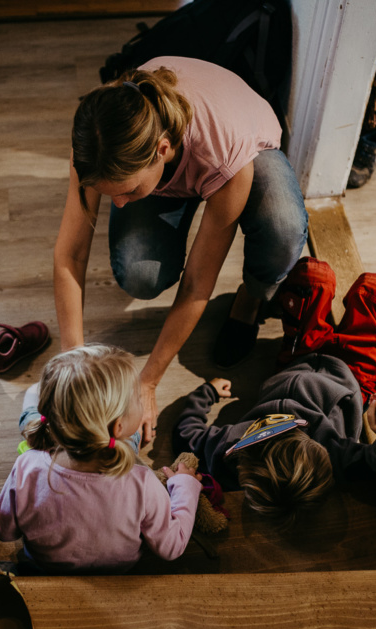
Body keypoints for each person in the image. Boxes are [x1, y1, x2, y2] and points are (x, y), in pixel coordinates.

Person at [54, 56, 309, 446]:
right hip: (171, 163)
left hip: (242, 145)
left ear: (162, 149)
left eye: (128, 192)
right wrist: (71, 359)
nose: (119, 205)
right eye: (110, 193)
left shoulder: (225, 155)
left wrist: (149, 380)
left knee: (283, 234)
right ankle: (159, 193)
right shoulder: (96, 140)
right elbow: (70, 256)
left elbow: (196, 284)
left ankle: (250, 300)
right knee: (140, 274)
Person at [173, 257, 376, 524]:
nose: (291, 425)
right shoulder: (333, 456)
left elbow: (185, 434)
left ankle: (279, 302)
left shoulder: (231, 449)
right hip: (354, 375)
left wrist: (206, 393)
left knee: (311, 274)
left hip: (296, 359)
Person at [0, 344, 202, 573]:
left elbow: (4, 531)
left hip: (43, 568)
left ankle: (34, 400)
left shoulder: (27, 466)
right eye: (138, 401)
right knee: (133, 439)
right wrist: (185, 485)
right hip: (118, 576)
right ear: (119, 427)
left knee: (33, 418)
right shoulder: (143, 482)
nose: (141, 404)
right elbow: (171, 547)